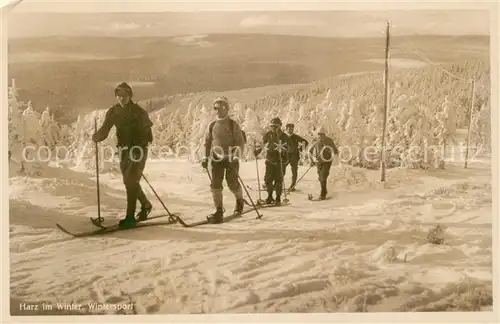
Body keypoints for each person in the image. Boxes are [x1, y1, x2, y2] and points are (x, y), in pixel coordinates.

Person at [92, 82, 154, 228]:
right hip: (123, 151)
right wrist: (97, 137)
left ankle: (130, 217)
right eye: (118, 95)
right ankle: (146, 205)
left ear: (130, 96)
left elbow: (149, 136)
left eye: (124, 96)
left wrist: (138, 147)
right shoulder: (113, 112)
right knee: (129, 182)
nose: (121, 98)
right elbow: (105, 129)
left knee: (130, 181)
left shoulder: (139, 112)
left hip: (138, 151)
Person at [202, 96, 246, 224]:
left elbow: (240, 143)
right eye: (215, 107)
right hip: (216, 158)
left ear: (226, 108)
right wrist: (205, 157)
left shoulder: (233, 124)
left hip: (231, 158)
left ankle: (239, 201)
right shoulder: (212, 125)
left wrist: (236, 157)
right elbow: (207, 142)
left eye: (221, 107)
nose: (218, 110)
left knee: (232, 182)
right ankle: (219, 210)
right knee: (215, 184)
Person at [254, 117, 290, 205]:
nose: (274, 128)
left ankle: (278, 198)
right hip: (270, 159)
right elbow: (262, 144)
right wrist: (257, 151)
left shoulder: (284, 136)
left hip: (280, 160)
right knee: (268, 180)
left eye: (276, 126)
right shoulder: (268, 134)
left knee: (278, 180)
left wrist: (286, 159)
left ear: (280, 126)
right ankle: (269, 196)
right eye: (272, 126)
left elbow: (288, 148)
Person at [308, 126, 339, 200]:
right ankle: (324, 191)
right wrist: (311, 161)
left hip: (327, 162)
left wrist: (330, 151)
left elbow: (335, 151)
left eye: (322, 134)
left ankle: (322, 194)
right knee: (321, 178)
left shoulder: (329, 141)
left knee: (323, 176)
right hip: (318, 162)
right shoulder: (316, 141)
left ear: (325, 135)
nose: (321, 136)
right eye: (319, 134)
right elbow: (310, 151)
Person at [284, 123, 309, 191]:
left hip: (294, 156)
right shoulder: (284, 136)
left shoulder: (296, 137)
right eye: (289, 129)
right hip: (286, 156)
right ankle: (278, 184)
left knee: (294, 171)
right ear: (286, 129)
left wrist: (300, 149)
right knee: (281, 169)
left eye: (292, 129)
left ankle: (292, 186)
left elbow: (305, 142)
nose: (290, 130)